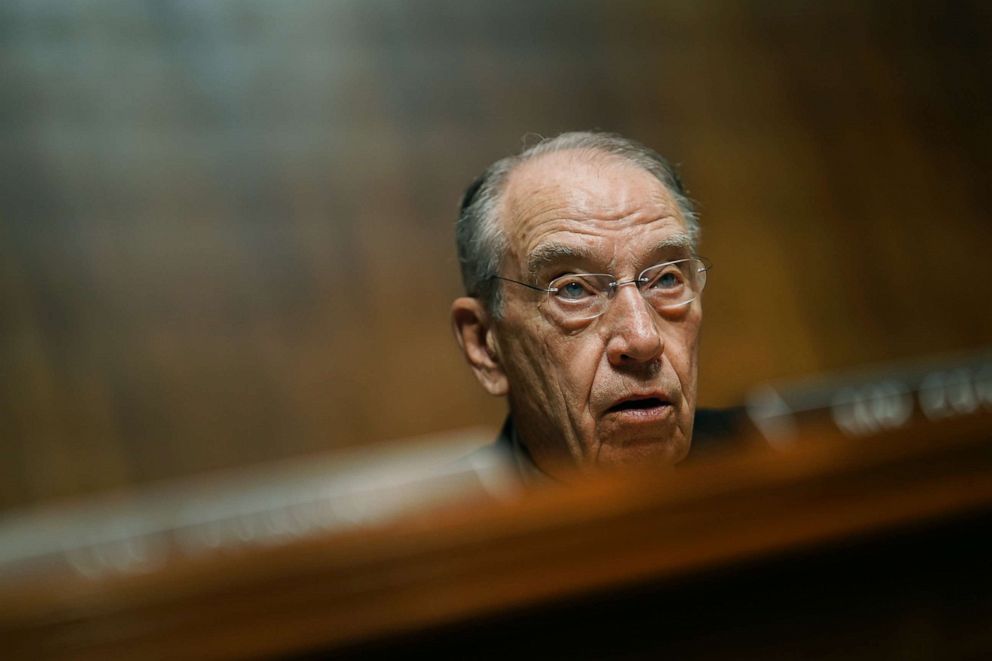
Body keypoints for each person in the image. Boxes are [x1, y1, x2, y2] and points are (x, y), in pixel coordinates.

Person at [451, 131, 713, 484]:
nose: (642, 340)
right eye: (573, 289)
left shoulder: (782, 466)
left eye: (666, 280)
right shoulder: (447, 532)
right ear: (485, 345)